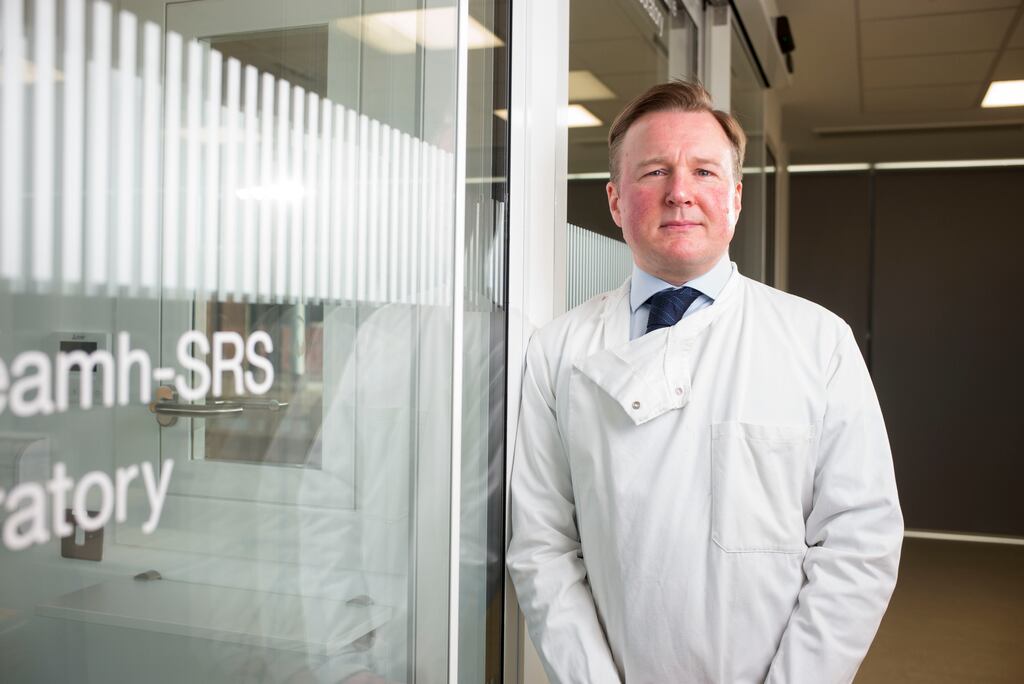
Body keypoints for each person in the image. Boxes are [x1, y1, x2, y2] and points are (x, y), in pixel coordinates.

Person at [506, 80, 903, 684]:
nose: (680, 193)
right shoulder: (558, 351)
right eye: (654, 172)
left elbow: (859, 542)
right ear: (615, 202)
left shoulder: (818, 342)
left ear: (736, 199)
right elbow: (543, 548)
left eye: (705, 172)